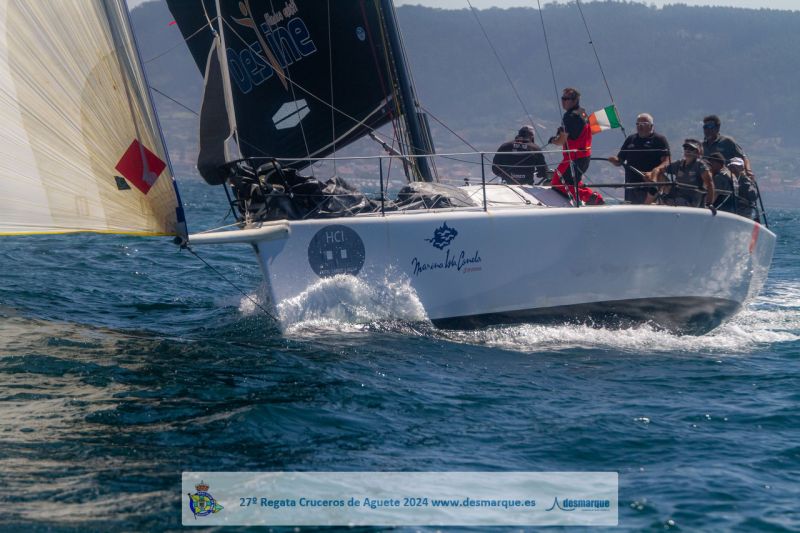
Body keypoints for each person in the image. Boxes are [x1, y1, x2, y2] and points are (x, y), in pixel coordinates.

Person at [548, 88, 604, 205]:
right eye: (562, 98)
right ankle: (595, 198)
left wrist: (553, 140)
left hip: (574, 158)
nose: (563, 101)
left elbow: (561, 141)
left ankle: (592, 197)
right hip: (584, 157)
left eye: (566, 99)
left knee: (557, 184)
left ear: (575, 100)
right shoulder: (582, 113)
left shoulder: (570, 116)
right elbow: (576, 132)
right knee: (573, 183)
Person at [608, 113, 670, 204]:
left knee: (647, 209)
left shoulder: (659, 139)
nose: (640, 126)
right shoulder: (630, 139)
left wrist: (655, 171)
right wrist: (614, 160)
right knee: (632, 209)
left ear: (651, 126)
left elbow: (667, 161)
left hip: (649, 185)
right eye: (638, 124)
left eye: (643, 124)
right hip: (631, 185)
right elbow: (620, 160)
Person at [653, 139, 715, 211]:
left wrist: (709, 204)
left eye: (691, 149)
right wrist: (654, 174)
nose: (687, 151)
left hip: (689, 201)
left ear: (697, 152)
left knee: (664, 204)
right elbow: (661, 169)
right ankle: (657, 196)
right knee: (659, 175)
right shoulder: (679, 163)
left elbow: (710, 184)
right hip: (674, 196)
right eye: (685, 148)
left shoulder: (700, 165)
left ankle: (662, 202)